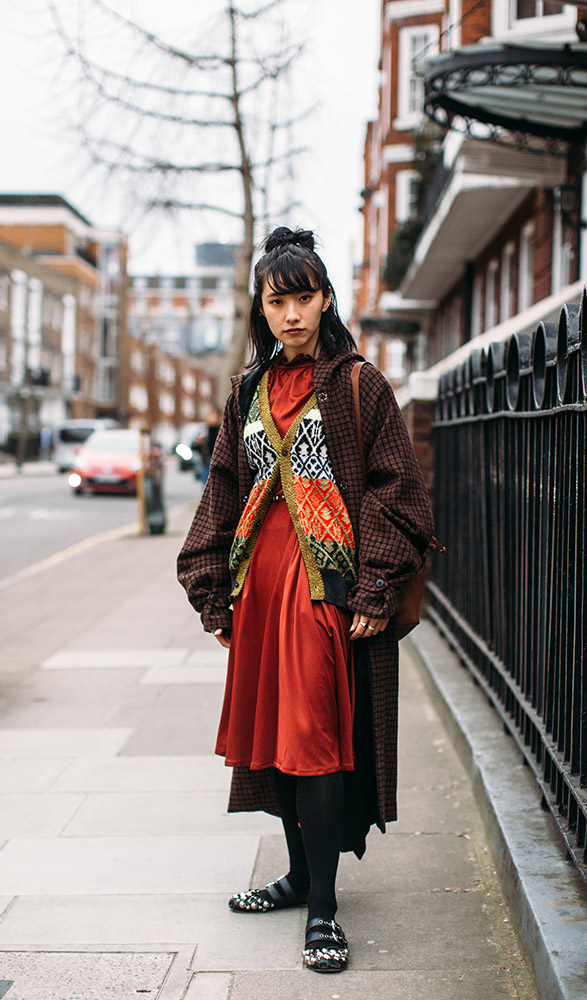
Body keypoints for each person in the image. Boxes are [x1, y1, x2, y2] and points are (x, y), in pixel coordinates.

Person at [177, 227, 434, 974]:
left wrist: (377, 583)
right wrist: (210, 591)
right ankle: (297, 881)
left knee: (317, 742)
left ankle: (323, 911)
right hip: (259, 587)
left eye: (304, 297)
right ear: (260, 307)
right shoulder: (247, 392)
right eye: (276, 299)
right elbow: (223, 488)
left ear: (325, 300)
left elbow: (399, 490)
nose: (291, 313)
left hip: (324, 592)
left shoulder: (359, 385)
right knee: (282, 746)